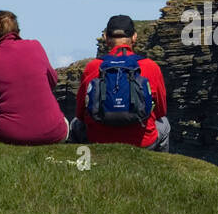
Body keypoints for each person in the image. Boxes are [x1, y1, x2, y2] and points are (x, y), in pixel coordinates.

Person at [71, 14, 170, 151]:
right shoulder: (151, 67)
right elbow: (160, 111)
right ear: (134, 37)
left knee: (75, 123)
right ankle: (160, 166)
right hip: (142, 142)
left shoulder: (92, 67)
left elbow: (80, 113)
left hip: (98, 140)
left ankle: (84, 164)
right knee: (164, 123)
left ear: (106, 37)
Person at [0, 10, 69, 145]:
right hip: (53, 133)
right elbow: (53, 81)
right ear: (17, 32)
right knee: (67, 122)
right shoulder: (35, 46)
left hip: (8, 135)